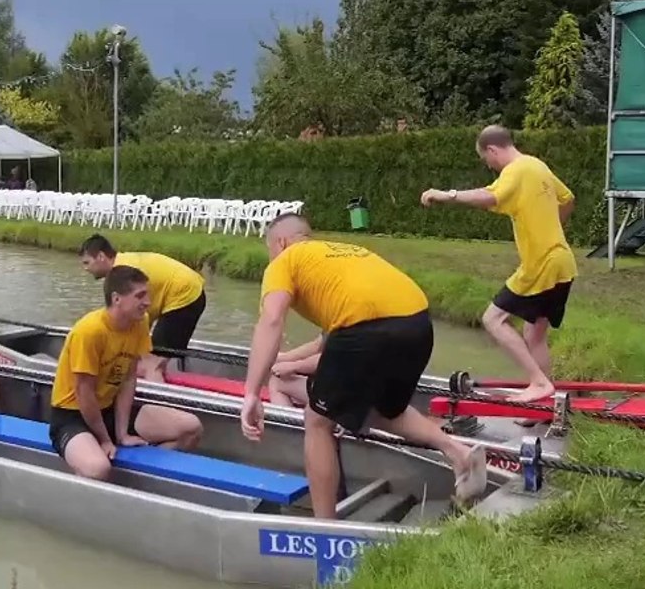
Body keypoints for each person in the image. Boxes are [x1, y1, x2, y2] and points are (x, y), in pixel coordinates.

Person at [239, 214, 487, 519]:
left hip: (366, 328)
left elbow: (272, 319)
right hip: (418, 323)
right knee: (385, 410)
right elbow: (331, 345)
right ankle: (458, 452)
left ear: (280, 242)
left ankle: (324, 529)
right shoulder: (340, 254)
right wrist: (290, 361)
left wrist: (251, 392)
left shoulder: (284, 261)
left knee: (318, 420)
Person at [419, 124, 576, 404]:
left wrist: (448, 195)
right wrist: (552, 229)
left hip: (540, 264)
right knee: (534, 332)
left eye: (486, 159)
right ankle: (544, 397)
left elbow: (489, 196)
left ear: (492, 150)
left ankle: (539, 383)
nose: (489, 166)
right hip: (562, 261)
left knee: (493, 319)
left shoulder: (515, 170)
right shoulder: (537, 165)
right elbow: (568, 199)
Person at [49, 265, 204, 480]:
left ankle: (147, 479)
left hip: (110, 410)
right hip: (73, 415)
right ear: (117, 299)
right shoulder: (89, 331)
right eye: (140, 296)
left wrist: (122, 434)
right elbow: (84, 394)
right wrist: (104, 439)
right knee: (98, 468)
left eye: (147, 294)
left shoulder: (139, 324)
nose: (148, 302)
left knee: (191, 428)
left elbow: (128, 378)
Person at [78, 234, 207, 382]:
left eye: (87, 263)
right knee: (150, 355)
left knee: (152, 362)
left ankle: (158, 402)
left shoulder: (123, 274)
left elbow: (134, 314)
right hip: (182, 291)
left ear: (101, 256)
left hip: (185, 296)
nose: (85, 269)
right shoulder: (123, 265)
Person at [267, 335, 324, 408]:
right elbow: (317, 346)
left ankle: (285, 418)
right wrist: (282, 359)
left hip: (337, 394)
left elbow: (328, 359)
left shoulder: (339, 328)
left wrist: (293, 367)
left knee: (276, 382)